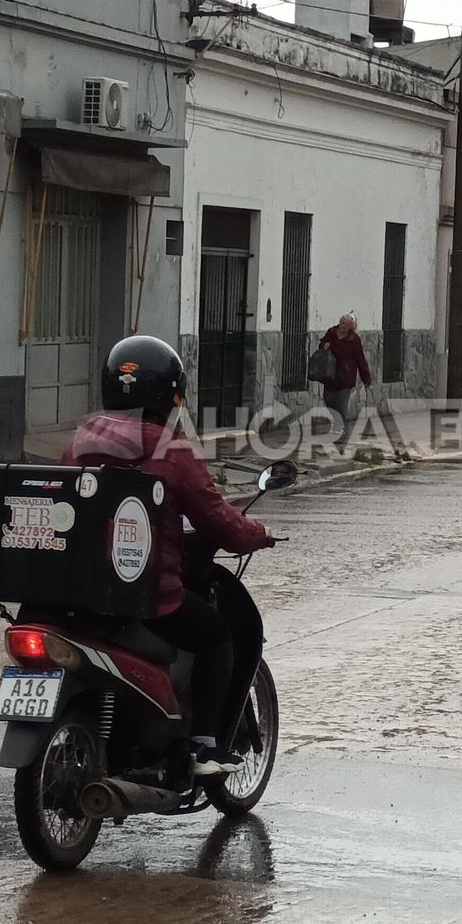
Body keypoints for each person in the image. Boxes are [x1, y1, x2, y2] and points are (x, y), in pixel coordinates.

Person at [62, 334, 274, 776]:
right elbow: (216, 519)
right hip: (148, 597)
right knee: (217, 636)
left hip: (81, 590)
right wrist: (256, 534)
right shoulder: (172, 451)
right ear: (169, 395)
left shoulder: (79, 443)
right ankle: (206, 746)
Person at [318, 313, 372, 440]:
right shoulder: (331, 332)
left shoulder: (354, 339)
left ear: (351, 327)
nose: (342, 326)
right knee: (328, 399)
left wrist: (366, 378)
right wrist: (323, 346)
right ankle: (337, 421)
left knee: (341, 403)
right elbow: (322, 345)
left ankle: (339, 426)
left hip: (346, 376)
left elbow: (360, 360)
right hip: (330, 374)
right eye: (341, 322)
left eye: (346, 324)